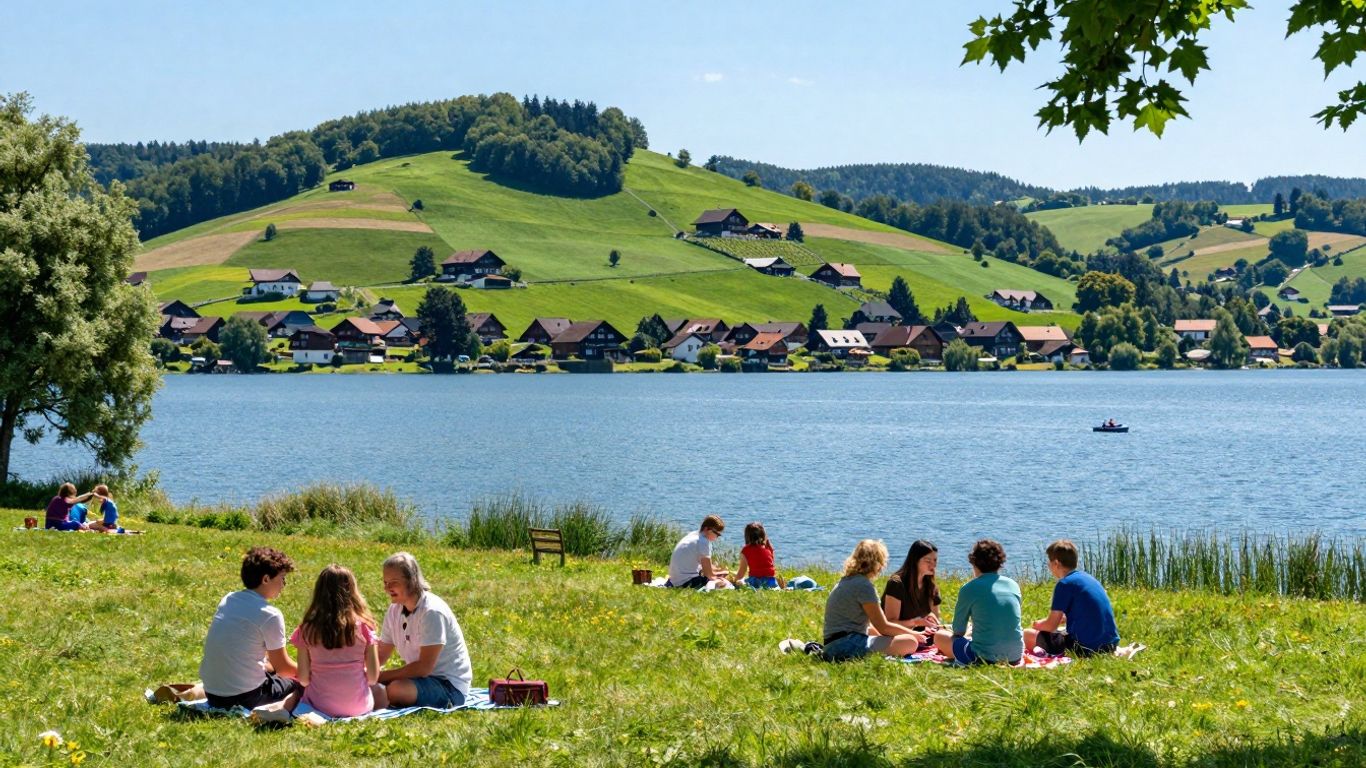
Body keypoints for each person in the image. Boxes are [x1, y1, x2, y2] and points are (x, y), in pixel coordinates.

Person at [253, 565, 386, 723]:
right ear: (352, 591)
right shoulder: (365, 628)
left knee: (298, 691)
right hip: (358, 707)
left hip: (319, 706)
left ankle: (281, 709)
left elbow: (303, 679)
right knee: (380, 690)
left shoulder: (307, 630)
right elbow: (373, 678)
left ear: (319, 593)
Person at [199, 547, 300, 710]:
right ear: (266, 579)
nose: (284, 584)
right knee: (298, 683)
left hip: (212, 693)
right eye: (282, 578)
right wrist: (312, 673)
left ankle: (194, 692)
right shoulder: (270, 615)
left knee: (271, 670)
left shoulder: (228, 599)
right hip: (246, 697)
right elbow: (284, 668)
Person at [377, 552, 472, 708]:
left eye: (393, 582)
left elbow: (424, 668)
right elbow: (381, 654)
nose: (387, 588)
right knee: (374, 688)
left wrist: (381, 677)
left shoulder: (432, 612)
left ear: (412, 580)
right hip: (419, 679)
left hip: (448, 687)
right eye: (385, 582)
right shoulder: (394, 610)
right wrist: (360, 672)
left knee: (396, 690)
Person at [820, 539, 925, 661]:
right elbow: (883, 626)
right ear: (878, 564)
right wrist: (913, 634)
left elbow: (870, 626)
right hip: (845, 646)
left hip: (832, 646)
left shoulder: (848, 580)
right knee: (910, 642)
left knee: (874, 632)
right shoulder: (864, 586)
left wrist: (883, 639)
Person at [933, 539, 1024, 665]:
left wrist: (967, 631)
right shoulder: (1013, 585)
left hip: (983, 658)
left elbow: (958, 630)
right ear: (1000, 563)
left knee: (940, 636)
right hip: (1015, 656)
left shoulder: (969, 588)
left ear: (974, 562)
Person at [1024, 540, 1120, 656]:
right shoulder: (1088, 578)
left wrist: (1038, 624)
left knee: (1027, 634)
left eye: (1049, 561)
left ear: (1056, 563)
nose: (1048, 565)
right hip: (1110, 645)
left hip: (1086, 649)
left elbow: (1051, 625)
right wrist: (1064, 618)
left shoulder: (1064, 584)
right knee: (1061, 630)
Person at [880, 540, 941, 633]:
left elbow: (935, 619)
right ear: (915, 561)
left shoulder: (931, 586)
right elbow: (890, 623)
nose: (934, 565)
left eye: (935, 560)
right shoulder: (896, 584)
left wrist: (933, 622)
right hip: (896, 636)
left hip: (921, 634)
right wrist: (915, 622)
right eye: (928, 561)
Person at [665, 515, 730, 589]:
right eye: (717, 534)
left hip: (674, 580)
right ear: (707, 529)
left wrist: (718, 571)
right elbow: (709, 574)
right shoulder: (703, 542)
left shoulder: (693, 535)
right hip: (685, 582)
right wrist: (720, 577)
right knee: (722, 582)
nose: (717, 537)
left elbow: (704, 567)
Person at [734, 521, 786, 589]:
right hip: (771, 581)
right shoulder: (768, 548)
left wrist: (735, 581)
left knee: (740, 582)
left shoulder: (746, 550)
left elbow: (742, 572)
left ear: (747, 536)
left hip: (756, 582)